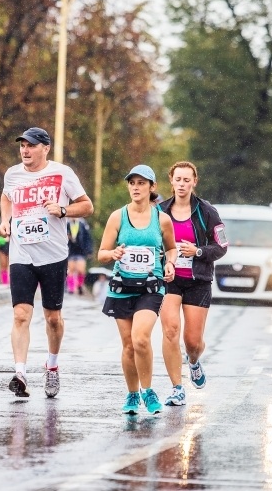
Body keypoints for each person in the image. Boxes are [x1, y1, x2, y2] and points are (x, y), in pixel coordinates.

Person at [0, 127, 93, 398]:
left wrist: (62, 210)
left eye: (31, 146)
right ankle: (20, 373)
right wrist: (6, 220)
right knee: (20, 315)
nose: (25, 151)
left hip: (53, 256)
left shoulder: (62, 173)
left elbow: (86, 206)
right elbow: (6, 197)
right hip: (21, 255)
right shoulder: (12, 174)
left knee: (52, 319)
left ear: (45, 148)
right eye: (22, 146)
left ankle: (52, 366)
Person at [97, 165, 177, 414]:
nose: (136, 187)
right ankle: (132, 394)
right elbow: (101, 254)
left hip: (151, 287)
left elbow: (171, 248)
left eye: (142, 183)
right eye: (132, 183)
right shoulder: (117, 217)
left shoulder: (162, 219)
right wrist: (113, 253)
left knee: (140, 338)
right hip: (122, 286)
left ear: (152, 187)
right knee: (128, 345)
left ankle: (148, 390)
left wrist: (170, 263)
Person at [158, 161, 228, 406]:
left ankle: (194, 361)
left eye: (187, 180)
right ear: (171, 181)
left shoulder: (207, 211)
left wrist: (197, 251)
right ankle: (177, 388)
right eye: (178, 179)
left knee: (193, 342)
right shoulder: (160, 210)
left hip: (198, 281)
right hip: (169, 279)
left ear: (194, 182)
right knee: (170, 331)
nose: (182, 184)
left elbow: (222, 246)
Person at [67, 217, 93, 295]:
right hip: (70, 251)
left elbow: (88, 237)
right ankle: (71, 288)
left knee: (81, 270)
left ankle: (79, 285)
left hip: (81, 251)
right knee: (70, 270)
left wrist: (89, 251)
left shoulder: (82, 224)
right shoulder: (67, 224)